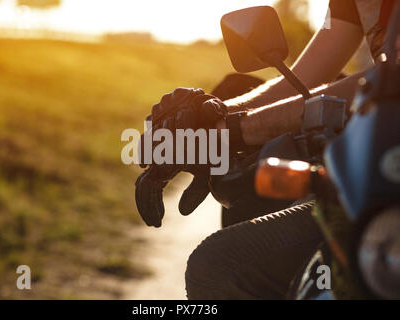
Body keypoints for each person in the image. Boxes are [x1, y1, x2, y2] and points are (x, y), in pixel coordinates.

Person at [135, 0, 396, 299]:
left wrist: (236, 131)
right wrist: (209, 117)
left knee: (218, 268)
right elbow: (308, 75)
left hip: (388, 187)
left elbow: (391, 78)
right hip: (375, 175)